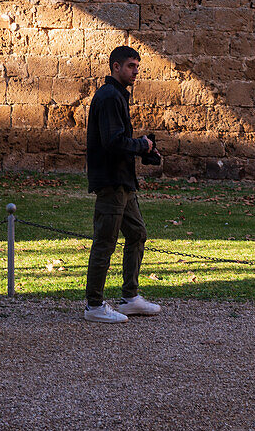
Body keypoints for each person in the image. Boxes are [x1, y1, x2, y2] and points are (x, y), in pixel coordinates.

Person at [84, 44, 161, 322]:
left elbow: (119, 141)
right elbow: (113, 142)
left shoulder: (117, 96)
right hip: (111, 183)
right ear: (115, 67)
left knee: (137, 233)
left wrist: (145, 150)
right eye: (131, 66)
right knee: (105, 243)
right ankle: (94, 306)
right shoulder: (108, 97)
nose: (135, 71)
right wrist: (141, 144)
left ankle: (130, 297)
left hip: (124, 183)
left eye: (137, 67)